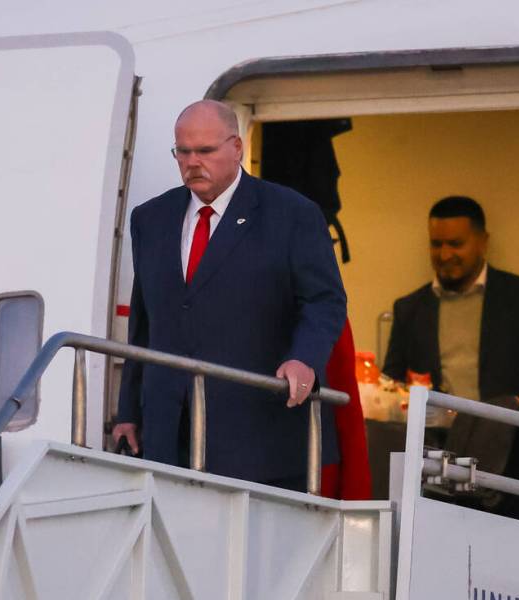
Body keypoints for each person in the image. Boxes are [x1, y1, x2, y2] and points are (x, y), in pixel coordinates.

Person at [112, 100, 347, 490]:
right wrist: (128, 412)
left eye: (205, 151)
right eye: (182, 152)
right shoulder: (150, 218)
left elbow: (325, 301)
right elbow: (145, 323)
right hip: (168, 433)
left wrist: (304, 359)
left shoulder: (292, 214)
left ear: (236, 147)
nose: (192, 162)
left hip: (259, 435)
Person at [382, 196, 519, 521]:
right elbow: (394, 384)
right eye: (436, 244)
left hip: (512, 466)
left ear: (483, 242)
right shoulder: (410, 308)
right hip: (434, 463)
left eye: (456, 243)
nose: (445, 255)